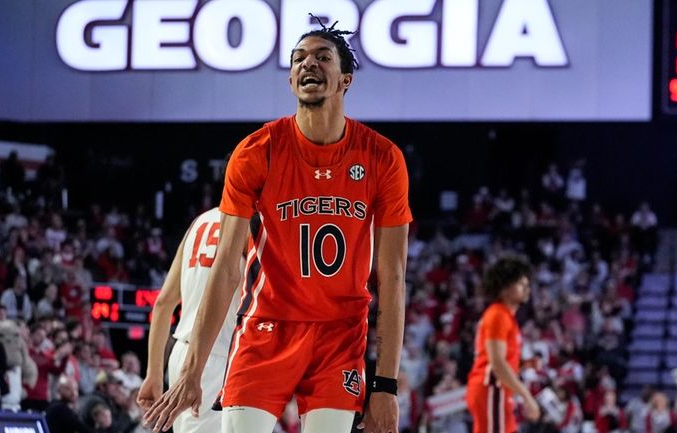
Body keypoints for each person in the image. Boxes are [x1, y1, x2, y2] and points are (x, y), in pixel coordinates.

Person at [143, 17, 412, 433]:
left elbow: (392, 278)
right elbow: (227, 266)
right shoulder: (257, 151)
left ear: (345, 80)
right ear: (290, 80)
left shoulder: (382, 158)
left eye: (323, 57)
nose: (310, 64)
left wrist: (386, 386)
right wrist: (192, 370)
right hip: (266, 327)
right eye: (299, 58)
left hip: (339, 336)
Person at [137, 207, 242, 433]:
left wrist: (154, 373)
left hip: (183, 355)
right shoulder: (249, 222)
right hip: (217, 356)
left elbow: (164, 303)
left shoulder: (200, 222)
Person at [466, 256, 540, 433]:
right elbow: (497, 364)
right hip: (491, 389)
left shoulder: (505, 316)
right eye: (521, 284)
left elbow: (500, 361)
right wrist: (527, 396)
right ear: (504, 288)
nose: (527, 288)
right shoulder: (498, 315)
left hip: (496, 391)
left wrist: (523, 365)